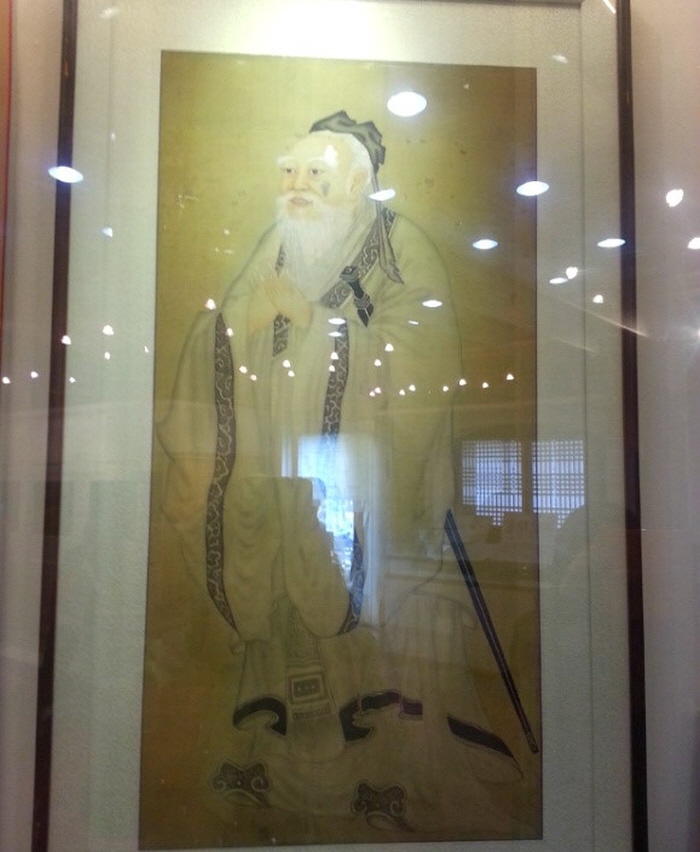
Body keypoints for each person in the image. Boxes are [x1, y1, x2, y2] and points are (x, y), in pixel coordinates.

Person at [157, 111, 527, 839]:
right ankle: (271, 774)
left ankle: (380, 783)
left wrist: (319, 327)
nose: (297, 187)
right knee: (282, 619)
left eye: (316, 177)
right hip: (276, 481)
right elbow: (224, 327)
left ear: (357, 185)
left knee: (366, 630)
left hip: (365, 488)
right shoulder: (279, 244)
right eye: (289, 173)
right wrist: (245, 326)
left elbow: (423, 359)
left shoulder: (401, 248)